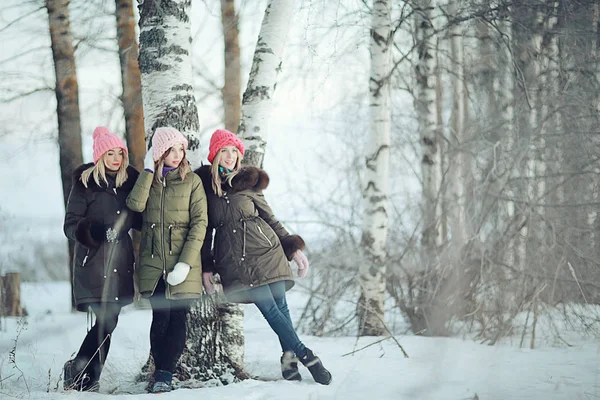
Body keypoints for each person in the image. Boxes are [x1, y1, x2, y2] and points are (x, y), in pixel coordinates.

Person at [196, 128, 332, 385]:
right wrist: (206, 266)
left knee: (281, 308)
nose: (229, 157)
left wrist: (294, 249)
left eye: (234, 151)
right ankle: (308, 356)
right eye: (224, 151)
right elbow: (204, 232)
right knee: (270, 309)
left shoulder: (249, 185)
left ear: (239, 155)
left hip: (268, 253)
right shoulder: (206, 189)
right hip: (236, 263)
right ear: (214, 155)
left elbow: (270, 218)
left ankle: (289, 358)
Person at [126, 126, 208, 393]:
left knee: (178, 318)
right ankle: (160, 370)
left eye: (180, 149)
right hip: (153, 263)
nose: (176, 154)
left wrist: (184, 264)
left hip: (185, 263)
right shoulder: (148, 180)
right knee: (160, 317)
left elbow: (200, 223)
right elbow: (135, 205)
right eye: (170, 150)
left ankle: (165, 374)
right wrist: (148, 170)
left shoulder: (192, 181)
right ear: (159, 152)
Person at [62, 126, 141, 392]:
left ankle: (83, 374)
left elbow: (139, 218)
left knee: (110, 322)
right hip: (93, 264)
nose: (116, 158)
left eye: (120, 152)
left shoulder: (129, 183)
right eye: (110, 153)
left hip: (120, 265)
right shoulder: (85, 184)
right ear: (100, 156)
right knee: (107, 322)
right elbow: (70, 225)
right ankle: (84, 374)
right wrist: (95, 231)